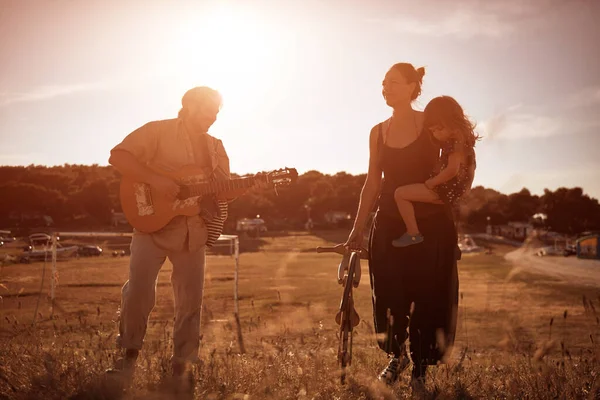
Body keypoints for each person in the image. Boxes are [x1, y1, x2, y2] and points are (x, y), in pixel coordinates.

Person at [107, 86, 251, 384]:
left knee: (190, 301)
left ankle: (183, 365)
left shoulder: (215, 146)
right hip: (150, 224)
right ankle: (128, 354)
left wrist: (249, 185)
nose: (212, 118)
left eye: (215, 113)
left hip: (193, 231)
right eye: (206, 111)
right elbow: (118, 157)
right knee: (138, 292)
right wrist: (156, 180)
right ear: (187, 106)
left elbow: (219, 193)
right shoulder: (157, 131)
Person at [344, 63, 463, 391]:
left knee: (427, 294)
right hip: (388, 221)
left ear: (413, 87)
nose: (386, 88)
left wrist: (453, 192)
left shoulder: (430, 124)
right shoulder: (377, 132)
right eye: (383, 84)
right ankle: (397, 356)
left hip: (430, 222)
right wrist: (357, 228)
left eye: (393, 83)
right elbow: (372, 181)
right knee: (388, 292)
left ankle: (420, 368)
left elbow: (460, 154)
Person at [391, 96, 478, 247]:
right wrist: (466, 189)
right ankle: (454, 245)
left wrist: (432, 182)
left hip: (444, 189)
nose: (437, 134)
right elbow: (472, 168)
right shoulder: (467, 144)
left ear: (452, 121)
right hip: (456, 192)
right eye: (433, 131)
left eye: (439, 128)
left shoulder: (453, 143)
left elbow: (452, 170)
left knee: (400, 194)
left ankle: (413, 233)